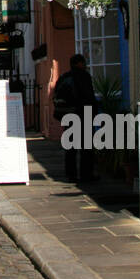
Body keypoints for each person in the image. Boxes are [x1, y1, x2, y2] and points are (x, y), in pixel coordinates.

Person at [54, 53, 97, 182]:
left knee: (71, 147)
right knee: (86, 147)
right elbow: (89, 96)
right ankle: (86, 174)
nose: (85, 65)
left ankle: (71, 174)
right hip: (83, 114)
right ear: (78, 63)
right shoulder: (84, 76)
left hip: (68, 115)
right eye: (83, 62)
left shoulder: (64, 77)